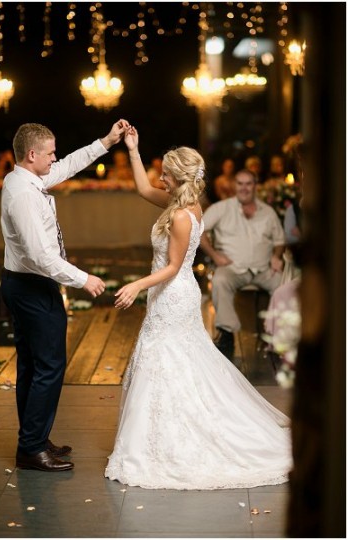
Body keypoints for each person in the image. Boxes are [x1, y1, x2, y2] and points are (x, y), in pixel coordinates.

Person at [104, 125, 292, 489]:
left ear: (177, 178)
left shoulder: (180, 215)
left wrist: (137, 285)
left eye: (165, 175)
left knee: (164, 362)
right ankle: (160, 436)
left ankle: (170, 441)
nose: (160, 179)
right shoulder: (183, 204)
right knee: (174, 363)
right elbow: (142, 188)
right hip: (171, 294)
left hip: (173, 294)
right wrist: (133, 149)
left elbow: (173, 267)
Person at [0, 121, 123, 472]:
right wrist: (83, 279)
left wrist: (106, 140)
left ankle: (34, 438)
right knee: (49, 367)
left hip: (24, 283)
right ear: (32, 154)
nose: (56, 158)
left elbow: (69, 165)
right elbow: (40, 256)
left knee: (32, 365)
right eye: (50, 153)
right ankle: (31, 448)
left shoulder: (24, 178)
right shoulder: (24, 195)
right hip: (33, 286)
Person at [200, 169, 286, 361]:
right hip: (232, 268)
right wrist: (214, 255)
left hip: (264, 269)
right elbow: (198, 229)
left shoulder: (268, 212)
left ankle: (279, 335)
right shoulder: (221, 208)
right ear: (234, 185)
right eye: (240, 183)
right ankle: (226, 335)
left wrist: (276, 256)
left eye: (249, 183)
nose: (244, 188)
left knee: (284, 284)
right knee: (220, 280)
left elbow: (279, 240)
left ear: (255, 186)